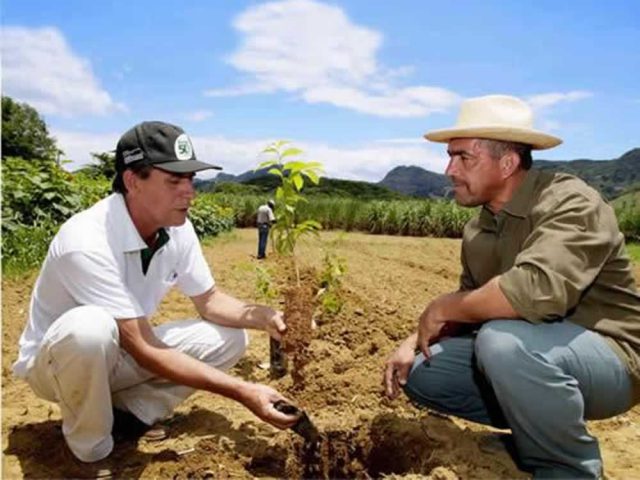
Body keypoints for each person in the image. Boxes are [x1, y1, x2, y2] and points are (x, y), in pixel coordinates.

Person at [12, 121, 300, 466]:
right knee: (89, 329)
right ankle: (89, 452)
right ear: (133, 181)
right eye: (174, 180)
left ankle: (129, 416)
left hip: (120, 353)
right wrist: (243, 391)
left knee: (230, 339)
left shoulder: (177, 228)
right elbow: (145, 348)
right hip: (59, 364)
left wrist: (264, 316)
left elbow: (209, 301)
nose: (189, 191)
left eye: (191, 179)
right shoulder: (86, 240)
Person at [383, 95, 640, 479]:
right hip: (536, 349)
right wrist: (411, 340)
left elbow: (538, 291)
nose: (449, 169)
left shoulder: (570, 201)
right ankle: (530, 435)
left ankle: (567, 469)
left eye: (463, 158)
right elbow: (471, 308)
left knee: (502, 342)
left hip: (614, 357)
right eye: (450, 156)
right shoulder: (479, 228)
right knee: (423, 372)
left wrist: (442, 307)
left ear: (508, 163)